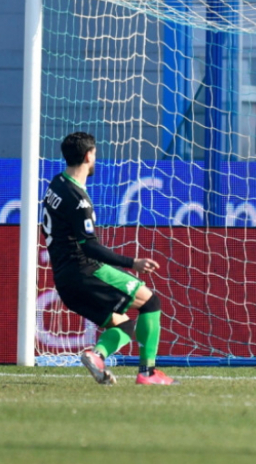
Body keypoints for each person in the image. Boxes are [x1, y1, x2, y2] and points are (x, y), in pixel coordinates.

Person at [41, 132, 174, 385]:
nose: (96, 159)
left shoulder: (56, 184)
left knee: (124, 325)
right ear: (88, 156)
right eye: (95, 154)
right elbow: (90, 247)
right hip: (85, 271)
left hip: (64, 280)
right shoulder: (78, 200)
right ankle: (148, 373)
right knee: (150, 301)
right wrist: (132, 263)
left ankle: (97, 355)